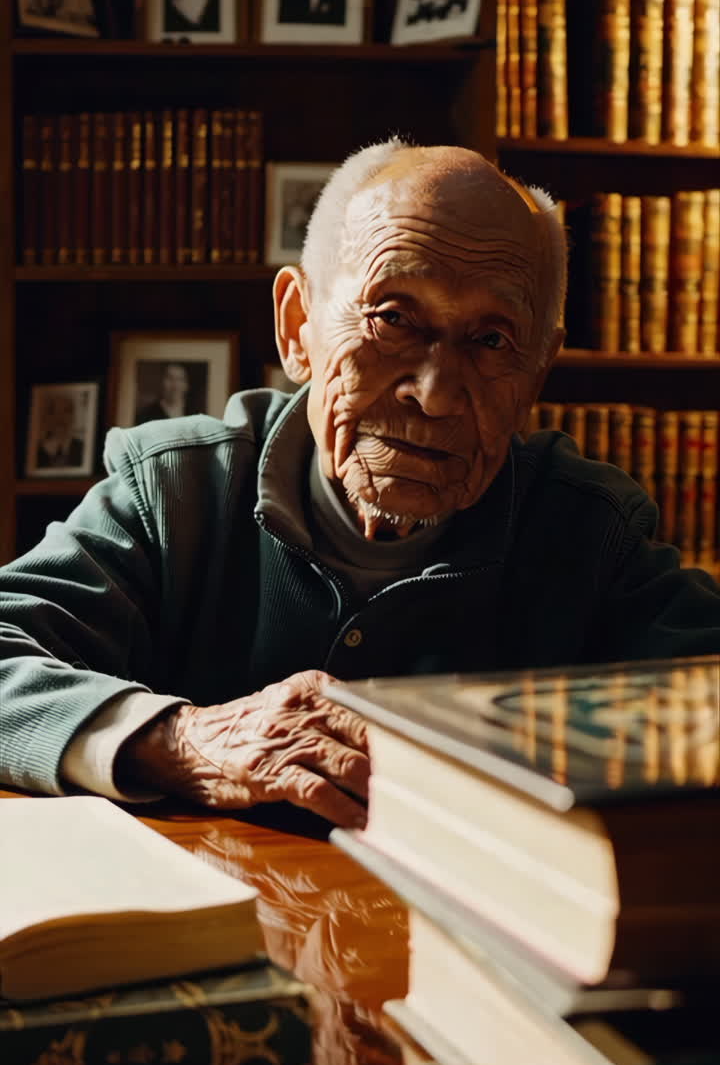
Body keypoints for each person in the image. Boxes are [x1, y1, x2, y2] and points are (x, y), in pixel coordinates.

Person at [2, 142, 719, 832]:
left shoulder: (590, 531)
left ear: (536, 373)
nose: (437, 393)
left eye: (492, 339)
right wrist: (184, 742)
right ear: (298, 327)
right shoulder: (178, 489)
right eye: (394, 318)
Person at [35, 392, 85, 469]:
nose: (60, 418)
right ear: (46, 418)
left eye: (66, 411)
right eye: (54, 412)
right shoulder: (36, 453)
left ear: (73, 417)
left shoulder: (83, 449)